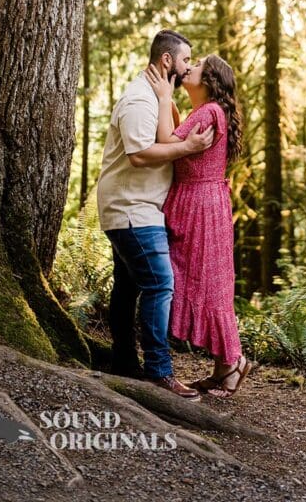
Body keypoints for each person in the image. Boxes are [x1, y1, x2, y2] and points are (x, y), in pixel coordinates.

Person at [96, 29, 214, 398]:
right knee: (160, 284)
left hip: (139, 208)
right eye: (185, 60)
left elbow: (163, 139)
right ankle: (159, 372)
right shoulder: (138, 101)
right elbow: (140, 155)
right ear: (167, 61)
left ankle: (124, 363)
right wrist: (189, 147)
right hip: (132, 209)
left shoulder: (155, 97)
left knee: (127, 287)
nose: (188, 67)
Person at [146, 54, 252, 398]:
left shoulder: (208, 112)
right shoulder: (206, 112)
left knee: (204, 284)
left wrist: (164, 97)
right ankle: (226, 365)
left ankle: (233, 363)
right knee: (205, 283)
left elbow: (167, 142)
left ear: (209, 80)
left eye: (198, 65)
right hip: (201, 204)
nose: (188, 68)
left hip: (201, 208)